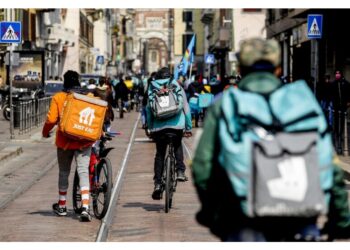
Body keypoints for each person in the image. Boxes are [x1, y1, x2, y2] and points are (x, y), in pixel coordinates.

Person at [191, 38, 350, 241]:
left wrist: (212, 214)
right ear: (278, 70)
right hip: (301, 219)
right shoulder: (304, 102)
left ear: (240, 69)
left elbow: (202, 166)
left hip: (243, 220)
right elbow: (329, 163)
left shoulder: (226, 105)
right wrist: (341, 219)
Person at [42, 70, 94, 222]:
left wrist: (45, 132)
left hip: (65, 141)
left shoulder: (59, 97)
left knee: (64, 172)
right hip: (84, 140)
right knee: (83, 172)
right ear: (78, 81)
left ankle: (62, 206)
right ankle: (85, 207)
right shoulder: (87, 96)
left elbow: (51, 119)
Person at [146, 67, 192, 200]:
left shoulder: (152, 87)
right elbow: (186, 108)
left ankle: (158, 184)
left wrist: (150, 127)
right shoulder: (176, 85)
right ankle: (180, 171)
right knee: (178, 144)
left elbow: (149, 109)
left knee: (160, 154)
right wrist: (188, 127)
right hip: (176, 126)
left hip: (159, 128)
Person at [331, 70, 350, 153]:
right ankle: (336, 137)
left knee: (342, 121)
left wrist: (348, 102)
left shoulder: (346, 83)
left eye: (338, 74)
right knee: (336, 123)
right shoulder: (334, 84)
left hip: (343, 106)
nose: (337, 75)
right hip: (336, 107)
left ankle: (341, 135)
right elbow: (331, 95)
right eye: (336, 74)